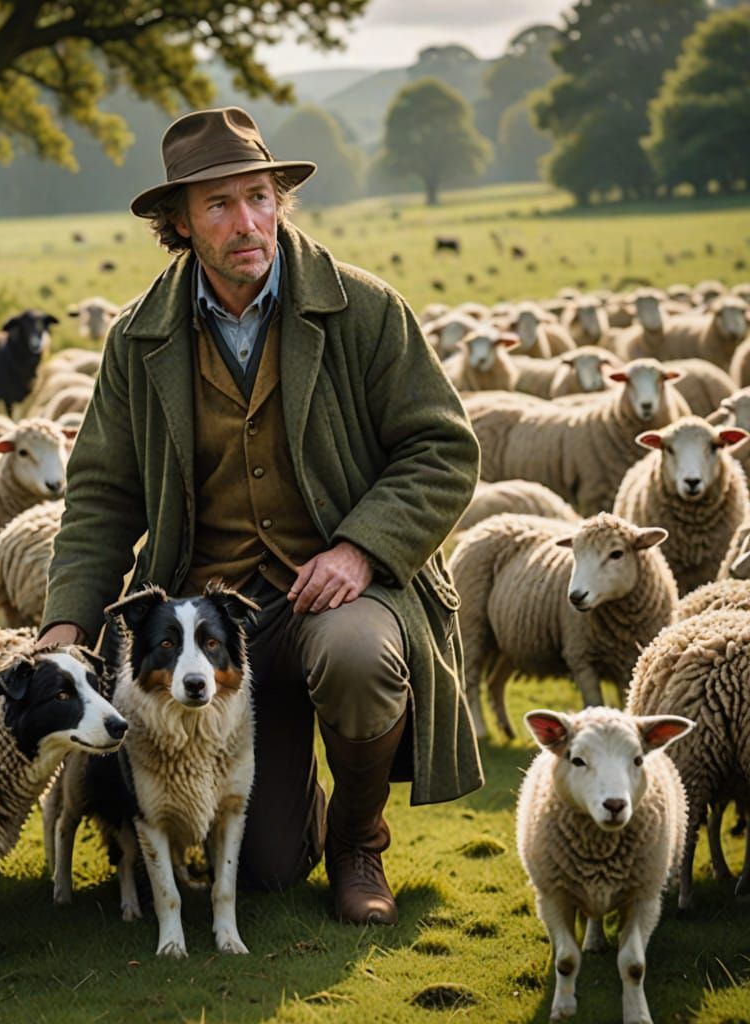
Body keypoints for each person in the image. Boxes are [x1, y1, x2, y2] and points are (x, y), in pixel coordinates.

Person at [39, 106, 483, 926]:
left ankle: (358, 844)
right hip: (209, 623)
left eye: (259, 197)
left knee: (357, 658)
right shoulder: (138, 338)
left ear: (279, 201)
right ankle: (285, 796)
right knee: (269, 870)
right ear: (180, 222)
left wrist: (359, 549)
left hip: (343, 594)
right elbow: (100, 493)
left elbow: (443, 449)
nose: (247, 222)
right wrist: (65, 625)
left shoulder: (365, 309)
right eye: (219, 204)